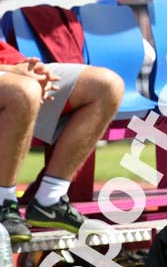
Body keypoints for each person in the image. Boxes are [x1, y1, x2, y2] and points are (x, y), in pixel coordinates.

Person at [0, 37, 124, 242]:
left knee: (106, 85)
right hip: (11, 78)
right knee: (24, 90)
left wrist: (27, 67)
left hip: (9, 69)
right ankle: (4, 203)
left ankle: (49, 201)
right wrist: (15, 72)